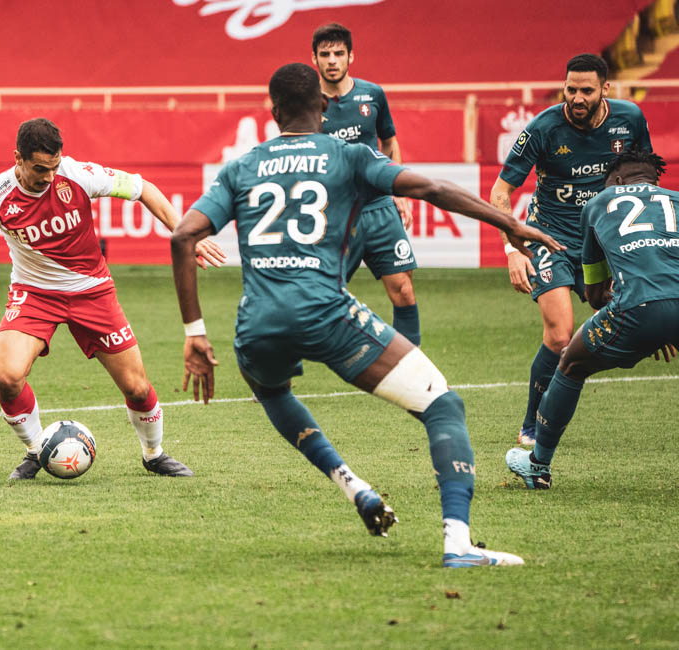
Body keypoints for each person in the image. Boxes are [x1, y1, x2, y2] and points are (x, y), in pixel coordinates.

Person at [171, 63, 562, 567]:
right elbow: (431, 189)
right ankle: (458, 542)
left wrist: (195, 332)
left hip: (256, 324)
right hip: (325, 314)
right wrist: (509, 223)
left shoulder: (241, 167)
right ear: (324, 106)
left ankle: (353, 486)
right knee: (443, 406)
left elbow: (183, 236)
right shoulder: (348, 155)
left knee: (273, 393)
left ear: (273, 112)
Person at [0, 117, 226, 479]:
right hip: (34, 294)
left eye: (54, 167)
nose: (49, 177)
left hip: (92, 292)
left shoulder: (78, 174)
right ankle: (36, 450)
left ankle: (154, 454)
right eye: (40, 169)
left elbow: (143, 188)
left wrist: (185, 234)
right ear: (18, 158)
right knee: (7, 376)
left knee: (137, 386)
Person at [489, 53, 652, 446]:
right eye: (570, 89)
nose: (577, 98)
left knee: (630, 330)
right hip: (550, 238)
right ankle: (532, 425)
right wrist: (513, 250)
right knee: (560, 334)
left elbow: (646, 180)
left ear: (605, 89)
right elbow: (500, 192)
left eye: (586, 91)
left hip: (604, 242)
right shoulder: (543, 128)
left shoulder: (630, 119)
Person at [506, 148, 678, 489]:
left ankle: (538, 466)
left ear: (616, 180)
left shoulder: (599, 203)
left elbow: (596, 293)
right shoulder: (675, 199)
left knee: (571, 362)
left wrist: (652, 321)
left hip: (637, 307)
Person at [311, 23, 420, 346]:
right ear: (314, 59)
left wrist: (397, 191)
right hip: (335, 215)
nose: (332, 60)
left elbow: (389, 143)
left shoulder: (372, 95)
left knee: (403, 289)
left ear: (351, 56)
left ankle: (411, 364)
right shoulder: (307, 103)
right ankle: (287, 369)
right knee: (319, 297)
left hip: (379, 208)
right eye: (325, 54)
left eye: (339, 53)